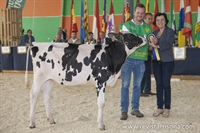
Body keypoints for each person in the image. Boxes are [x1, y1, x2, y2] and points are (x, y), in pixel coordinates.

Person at [119, 4, 152, 120]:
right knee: (125, 85)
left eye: (142, 13)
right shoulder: (126, 26)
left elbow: (150, 43)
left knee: (137, 86)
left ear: (144, 14)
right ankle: (123, 110)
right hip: (128, 60)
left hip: (141, 60)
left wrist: (153, 44)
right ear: (134, 13)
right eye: (138, 12)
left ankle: (135, 109)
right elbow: (125, 41)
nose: (140, 15)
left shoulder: (148, 29)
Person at [149, 12, 175, 118]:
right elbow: (150, 48)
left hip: (167, 62)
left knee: (166, 84)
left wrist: (156, 45)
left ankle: (167, 108)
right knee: (158, 85)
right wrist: (150, 46)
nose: (160, 22)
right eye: (158, 20)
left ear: (165, 21)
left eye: (162, 20)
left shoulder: (170, 31)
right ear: (155, 22)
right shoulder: (153, 33)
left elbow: (168, 44)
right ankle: (159, 107)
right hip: (156, 62)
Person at [141, 13, 156, 97]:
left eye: (151, 19)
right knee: (143, 72)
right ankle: (140, 90)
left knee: (148, 72)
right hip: (142, 54)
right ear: (144, 19)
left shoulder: (150, 29)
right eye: (149, 19)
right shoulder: (141, 28)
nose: (150, 20)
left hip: (149, 53)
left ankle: (147, 89)